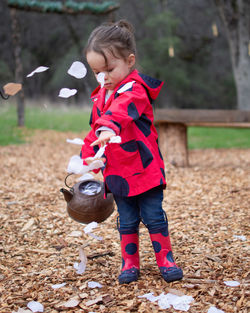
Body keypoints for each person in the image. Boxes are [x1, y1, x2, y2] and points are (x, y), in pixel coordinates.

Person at [81, 19, 183, 284]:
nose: (103, 78)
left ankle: (165, 259)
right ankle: (130, 263)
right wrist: (87, 157)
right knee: (126, 219)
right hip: (118, 172)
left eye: (109, 70)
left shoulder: (135, 89)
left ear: (130, 61)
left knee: (152, 215)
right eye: (96, 72)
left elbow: (121, 111)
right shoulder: (101, 95)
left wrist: (107, 127)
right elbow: (95, 130)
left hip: (144, 168)